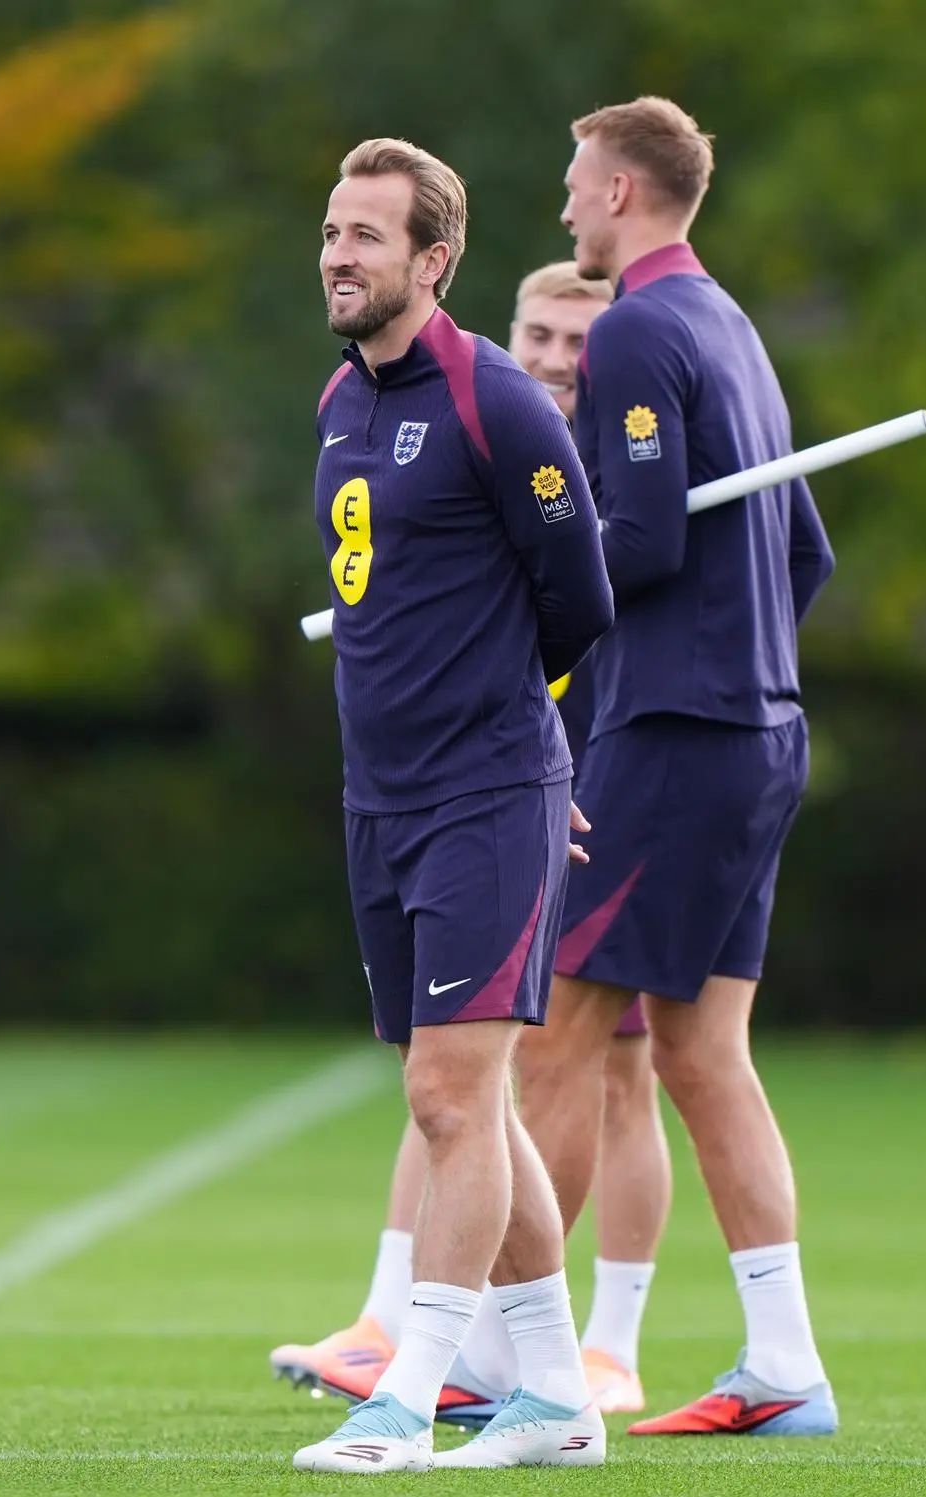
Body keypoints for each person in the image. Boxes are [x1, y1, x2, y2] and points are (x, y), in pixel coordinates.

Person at [271, 262, 672, 1421]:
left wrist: (546, 754)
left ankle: (516, 1361)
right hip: (426, 785)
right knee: (467, 1090)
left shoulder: (558, 423)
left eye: (574, 337)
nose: (552, 353)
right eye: (537, 329)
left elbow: (585, 608)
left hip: (543, 780)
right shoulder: (377, 409)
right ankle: (528, 1379)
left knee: (598, 1072)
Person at [512, 96, 841, 1439]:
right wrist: (734, 646)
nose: (567, 210)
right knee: (705, 1055)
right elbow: (803, 550)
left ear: (629, 193)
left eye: (579, 187)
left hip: (677, 734)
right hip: (760, 727)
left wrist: (513, 590)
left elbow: (636, 543)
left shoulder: (641, 327)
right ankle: (785, 1367)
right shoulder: (732, 326)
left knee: (560, 1036)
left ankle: (512, 1366)